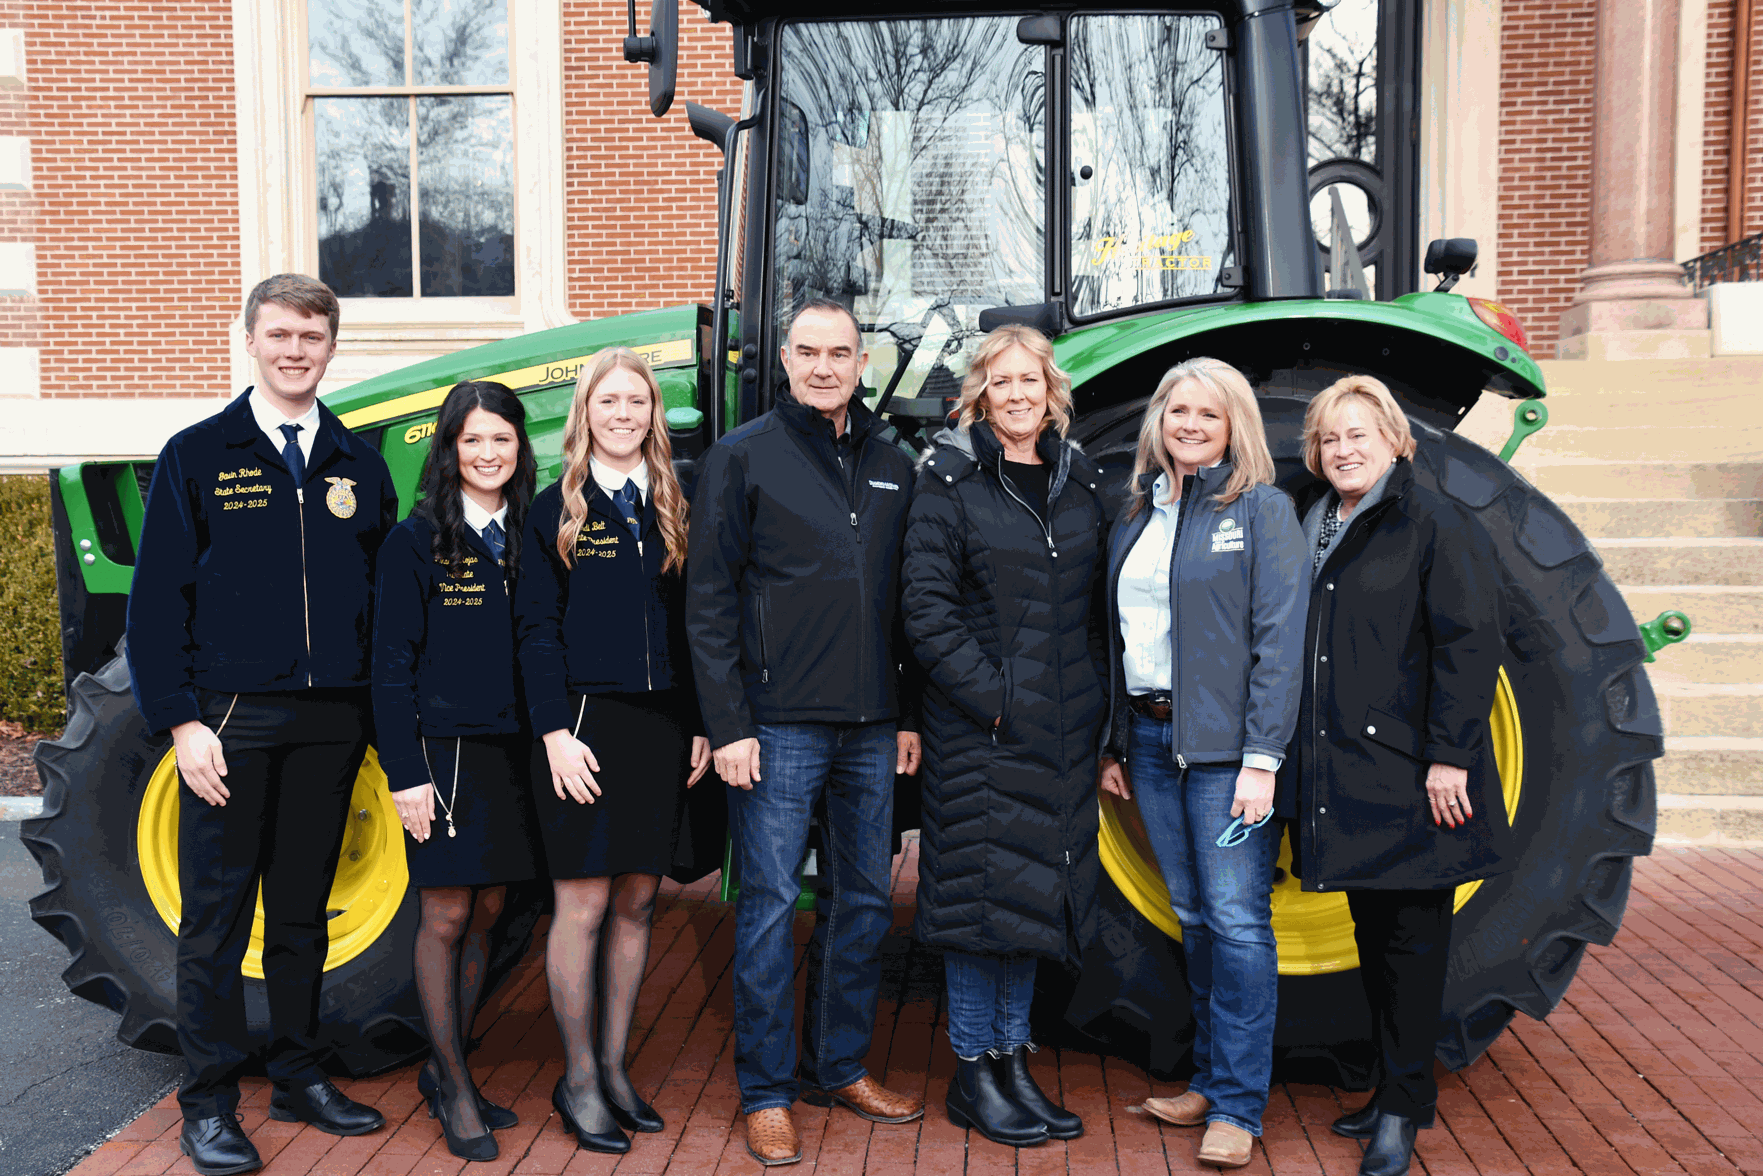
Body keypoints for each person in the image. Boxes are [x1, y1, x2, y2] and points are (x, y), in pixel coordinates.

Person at [126, 273, 396, 1176]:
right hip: (232, 723)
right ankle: (207, 1103)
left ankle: (297, 1074)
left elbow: (383, 603)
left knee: (301, 914)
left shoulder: (358, 463)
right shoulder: (198, 454)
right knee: (215, 920)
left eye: (311, 337)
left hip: (333, 721)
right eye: (279, 334)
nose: (294, 351)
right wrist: (181, 723)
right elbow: (156, 603)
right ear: (250, 341)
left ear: (330, 348)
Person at [687, 298, 924, 1166]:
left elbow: (909, 604)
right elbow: (708, 601)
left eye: (840, 353)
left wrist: (908, 715)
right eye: (808, 352)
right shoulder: (741, 455)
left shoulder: (895, 464)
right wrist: (728, 724)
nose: (824, 367)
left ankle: (839, 1066)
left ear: (862, 363)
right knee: (768, 908)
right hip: (776, 727)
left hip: (871, 727)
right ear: (784, 360)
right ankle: (766, 1093)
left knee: (863, 904)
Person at [1276, 374, 1510, 1176]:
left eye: (1358, 435)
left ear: (1394, 443)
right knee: (1374, 942)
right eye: (1329, 438)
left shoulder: (1434, 522)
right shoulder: (1316, 518)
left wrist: (1449, 756)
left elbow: (1469, 644)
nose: (1342, 450)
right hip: (1347, 770)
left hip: (1410, 773)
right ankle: (1388, 1091)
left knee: (1410, 946)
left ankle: (1404, 1108)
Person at [1095, 357, 1306, 1168]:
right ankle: (1210, 1083)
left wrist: (1261, 758)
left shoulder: (1260, 510)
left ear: (1232, 426)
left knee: (1237, 923)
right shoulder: (1137, 511)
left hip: (1225, 756)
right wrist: (1115, 740)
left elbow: (1278, 643)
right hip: (1151, 744)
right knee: (1193, 918)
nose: (1188, 424)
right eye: (1176, 410)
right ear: (1158, 420)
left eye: (1207, 414)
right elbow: (1119, 637)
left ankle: (1238, 1107)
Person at [901, 324, 1108, 1148]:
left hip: (1059, 735)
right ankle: (971, 1071)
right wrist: (996, 702)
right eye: (1001, 380)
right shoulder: (948, 483)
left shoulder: (1076, 480)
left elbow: (1095, 614)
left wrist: (1088, 710)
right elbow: (926, 612)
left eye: (1029, 379)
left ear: (1050, 389)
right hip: (982, 735)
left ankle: (1011, 1061)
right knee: (976, 905)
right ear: (979, 393)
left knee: (1030, 902)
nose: (1016, 394)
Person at [515, 349, 712, 1156]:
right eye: (609, 401)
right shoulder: (554, 508)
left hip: (660, 727)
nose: (623, 414)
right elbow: (533, 631)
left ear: (653, 414)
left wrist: (699, 721)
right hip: (583, 730)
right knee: (584, 904)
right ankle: (577, 1078)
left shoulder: (673, 503)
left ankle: (613, 1066)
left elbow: (695, 623)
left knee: (637, 903)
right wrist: (554, 734)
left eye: (637, 401)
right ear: (585, 413)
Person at [371, 380, 543, 1163]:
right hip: (442, 756)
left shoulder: (530, 534)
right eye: (472, 439)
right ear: (449, 448)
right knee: (444, 915)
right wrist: (405, 771)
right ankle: (453, 1085)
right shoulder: (415, 542)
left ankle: (446, 1071)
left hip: (510, 754)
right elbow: (390, 665)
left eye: (501, 439)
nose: (487, 453)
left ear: (519, 448)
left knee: (491, 910)